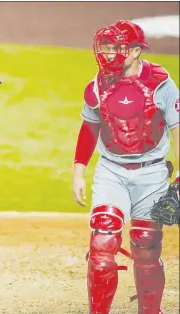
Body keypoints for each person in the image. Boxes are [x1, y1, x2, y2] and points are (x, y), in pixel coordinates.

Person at [72, 20, 179, 314]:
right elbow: (89, 128)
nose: (106, 54)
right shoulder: (96, 86)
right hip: (112, 171)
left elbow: (177, 128)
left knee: (146, 245)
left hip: (153, 171)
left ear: (134, 51)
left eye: (114, 48)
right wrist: (78, 170)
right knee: (102, 239)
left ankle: (150, 310)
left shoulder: (161, 84)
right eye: (104, 48)